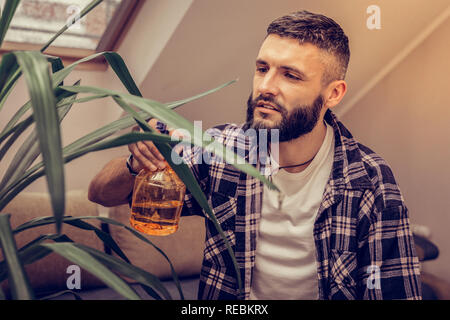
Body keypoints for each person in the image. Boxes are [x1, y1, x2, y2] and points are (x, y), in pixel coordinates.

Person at [88, 11, 422, 300]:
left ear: (333, 93)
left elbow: (395, 289)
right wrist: (137, 162)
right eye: (262, 69)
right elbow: (102, 194)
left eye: (290, 75)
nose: (266, 86)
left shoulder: (369, 179)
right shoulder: (220, 152)